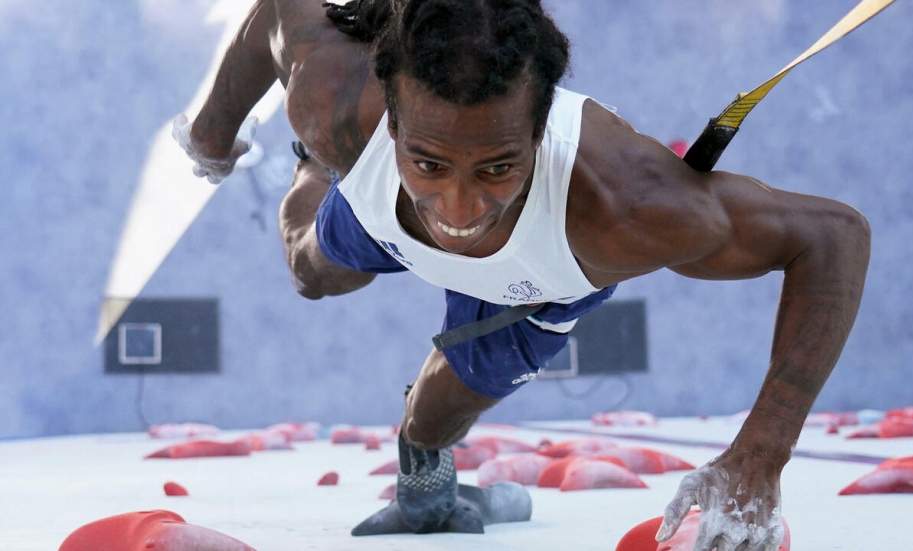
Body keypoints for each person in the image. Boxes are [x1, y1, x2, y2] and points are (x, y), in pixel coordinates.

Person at [172, 0, 871, 548]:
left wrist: (761, 453)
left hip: (539, 273)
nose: (460, 209)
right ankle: (316, 167)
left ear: (539, 129)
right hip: (377, 199)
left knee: (432, 423)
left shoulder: (627, 204)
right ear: (391, 123)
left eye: (497, 165)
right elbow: (276, 11)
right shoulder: (333, 95)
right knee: (313, 272)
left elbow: (833, 237)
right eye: (433, 162)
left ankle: (430, 483)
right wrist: (211, 131)